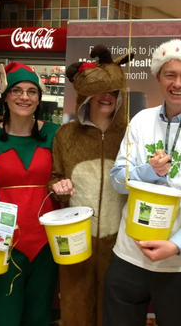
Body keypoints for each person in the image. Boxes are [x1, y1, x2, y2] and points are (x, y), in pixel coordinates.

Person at [104, 38, 181, 326]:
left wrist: (175, 244)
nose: (178, 83)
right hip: (128, 255)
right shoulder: (141, 121)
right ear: (158, 77)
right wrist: (148, 171)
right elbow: (117, 181)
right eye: (170, 74)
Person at [0, 62, 60, 326]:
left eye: (32, 91)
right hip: (0, 233)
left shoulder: (55, 134)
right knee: (2, 309)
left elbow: (64, 174)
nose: (24, 97)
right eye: (17, 90)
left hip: (45, 235)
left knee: (39, 309)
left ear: (39, 98)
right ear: (5, 95)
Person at [48, 44, 132, 326]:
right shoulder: (65, 135)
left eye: (112, 92)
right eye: (99, 92)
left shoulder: (132, 134)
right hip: (76, 239)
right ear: (86, 96)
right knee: (75, 306)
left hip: (119, 242)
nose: (106, 97)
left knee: (115, 308)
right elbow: (55, 176)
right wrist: (58, 187)